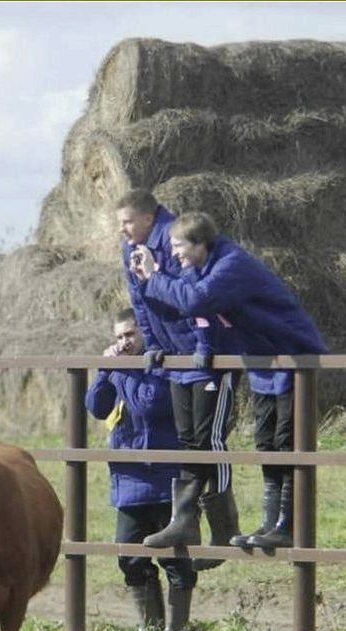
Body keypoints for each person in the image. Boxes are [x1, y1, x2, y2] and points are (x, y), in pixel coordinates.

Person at [130, 211, 328, 563]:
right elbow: (187, 307)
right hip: (261, 358)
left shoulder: (231, 265)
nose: (174, 254)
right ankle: (271, 524)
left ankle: (288, 522)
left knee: (287, 442)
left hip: (292, 354)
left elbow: (195, 301)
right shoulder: (200, 268)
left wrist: (155, 276)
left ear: (200, 243)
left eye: (178, 246)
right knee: (267, 442)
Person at [119, 195, 240, 565]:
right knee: (187, 438)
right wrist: (153, 345)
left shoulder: (176, 239)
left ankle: (224, 528)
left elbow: (196, 296)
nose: (121, 229)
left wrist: (205, 345)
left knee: (209, 437)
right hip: (174, 357)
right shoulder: (132, 250)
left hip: (208, 356)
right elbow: (140, 302)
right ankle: (185, 519)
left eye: (127, 221)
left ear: (148, 216)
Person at [86, 308, 196, 631]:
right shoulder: (119, 367)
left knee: (176, 560)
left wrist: (124, 370)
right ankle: (151, 630)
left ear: (146, 332)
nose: (124, 342)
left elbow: (150, 403)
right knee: (129, 556)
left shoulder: (167, 362)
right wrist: (106, 371)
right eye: (118, 337)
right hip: (129, 478)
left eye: (130, 334)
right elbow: (95, 406)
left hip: (167, 477)